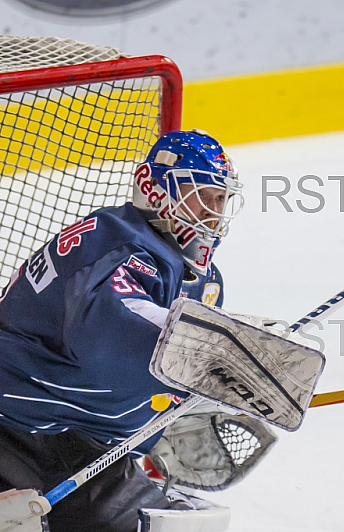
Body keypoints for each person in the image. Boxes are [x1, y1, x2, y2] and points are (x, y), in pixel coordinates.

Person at [0, 129, 246, 532]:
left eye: (220, 199)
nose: (212, 212)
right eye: (200, 194)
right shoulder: (116, 241)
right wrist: (219, 351)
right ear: (154, 188)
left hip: (87, 446)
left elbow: (164, 374)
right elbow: (114, 334)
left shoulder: (200, 279)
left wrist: (189, 406)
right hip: (15, 427)